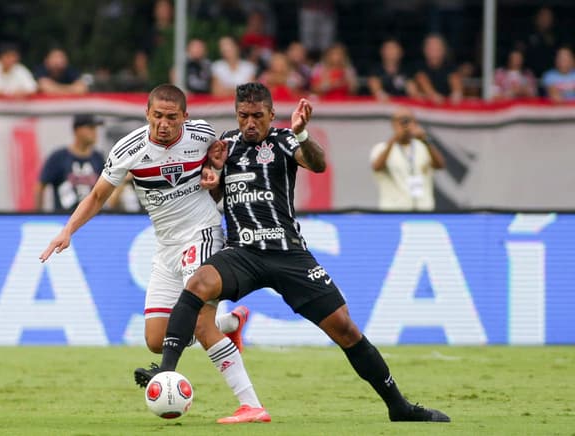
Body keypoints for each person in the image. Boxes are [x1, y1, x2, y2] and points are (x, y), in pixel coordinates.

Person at [135, 83, 451, 423]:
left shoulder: (285, 140)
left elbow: (317, 163)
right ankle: (166, 372)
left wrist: (302, 134)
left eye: (258, 116)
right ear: (236, 115)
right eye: (244, 116)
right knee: (197, 283)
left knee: (344, 328)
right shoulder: (224, 147)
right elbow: (209, 198)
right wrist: (211, 179)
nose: (251, 123)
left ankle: (399, 407)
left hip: (288, 255)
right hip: (243, 253)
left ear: (272, 115)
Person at [39, 84, 269, 424]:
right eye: (157, 116)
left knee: (202, 326)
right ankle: (231, 322)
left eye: (172, 118)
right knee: (156, 340)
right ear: (147, 114)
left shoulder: (202, 134)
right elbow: (98, 196)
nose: (164, 124)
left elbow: (222, 167)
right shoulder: (128, 149)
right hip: (165, 247)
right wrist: (68, 230)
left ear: (185, 118)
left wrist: (215, 172)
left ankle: (251, 404)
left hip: (202, 233)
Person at [370, 107, 446, 211]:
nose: (404, 124)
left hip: (423, 210)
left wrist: (426, 140)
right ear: (393, 124)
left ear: (415, 123)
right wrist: (395, 138)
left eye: (407, 120)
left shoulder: (424, 146)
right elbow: (377, 167)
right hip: (393, 211)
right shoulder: (382, 148)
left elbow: (440, 165)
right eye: (400, 120)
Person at [35, 114, 106, 212]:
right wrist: (38, 215)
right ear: (77, 130)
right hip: (64, 218)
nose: (95, 132)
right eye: (90, 128)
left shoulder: (98, 158)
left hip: (93, 219)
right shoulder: (59, 157)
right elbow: (40, 186)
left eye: (95, 128)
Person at [414, 34, 463, 104]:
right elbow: (422, 80)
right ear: (424, 50)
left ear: (443, 50)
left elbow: (455, 81)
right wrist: (433, 95)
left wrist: (457, 94)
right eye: (430, 48)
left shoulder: (450, 66)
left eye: (437, 48)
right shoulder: (419, 66)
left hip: (446, 106)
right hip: (425, 107)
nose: (433, 51)